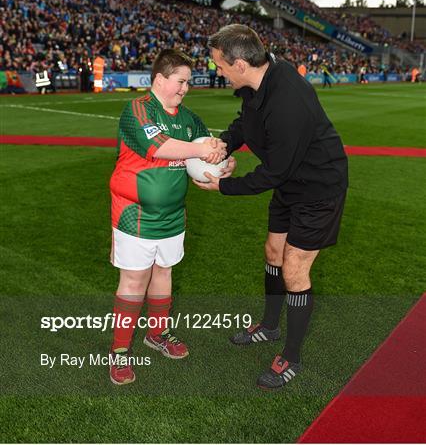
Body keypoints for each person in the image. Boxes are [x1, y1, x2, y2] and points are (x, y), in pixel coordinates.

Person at [193, 25, 348, 391]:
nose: (218, 71)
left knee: (295, 268)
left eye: (219, 64)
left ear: (241, 63)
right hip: (290, 184)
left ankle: (290, 357)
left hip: (319, 188)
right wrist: (225, 146)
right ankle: (268, 325)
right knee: (273, 251)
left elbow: (274, 171)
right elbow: (245, 125)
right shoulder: (258, 82)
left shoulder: (287, 100)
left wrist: (224, 186)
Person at [108, 48, 227, 385]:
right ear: (159, 79)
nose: (185, 88)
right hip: (135, 214)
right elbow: (158, 147)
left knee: (164, 274)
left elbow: (202, 160)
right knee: (134, 281)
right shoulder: (137, 110)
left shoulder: (189, 119)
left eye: (188, 82)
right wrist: (200, 149)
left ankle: (156, 334)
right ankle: (119, 351)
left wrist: (221, 164)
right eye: (180, 81)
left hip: (174, 215)